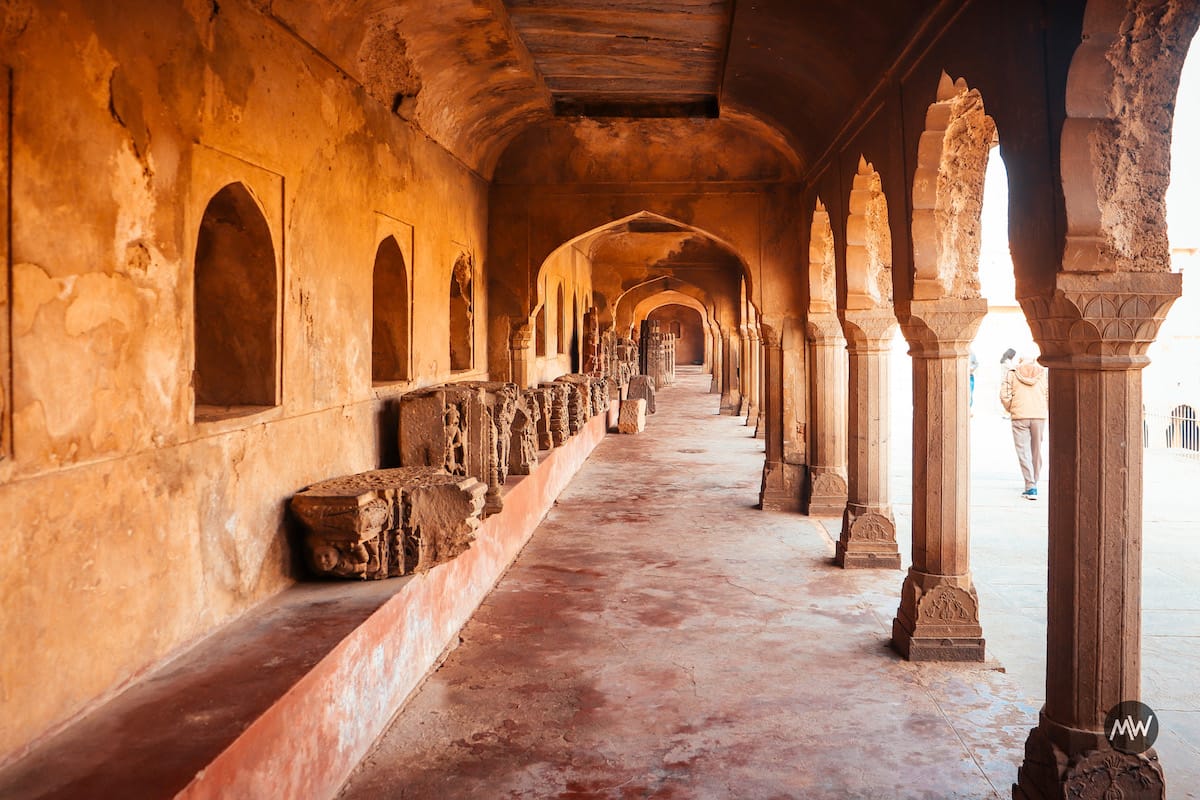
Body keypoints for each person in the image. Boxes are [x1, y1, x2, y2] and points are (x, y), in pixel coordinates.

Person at [1000, 355, 1048, 500]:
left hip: (1019, 416)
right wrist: (1042, 408)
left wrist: (1012, 408)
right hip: (1038, 416)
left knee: (1023, 452)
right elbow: (1048, 393)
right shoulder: (1042, 373)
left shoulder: (1012, 373)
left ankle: (1030, 485)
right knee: (1036, 450)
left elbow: (1004, 395)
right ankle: (1034, 480)